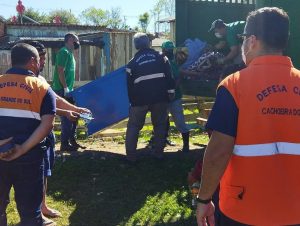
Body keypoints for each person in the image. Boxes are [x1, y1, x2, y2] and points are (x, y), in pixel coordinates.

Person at [196, 7, 300, 226]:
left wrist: (204, 198)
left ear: (252, 41)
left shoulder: (234, 85)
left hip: (244, 210)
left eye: (243, 39)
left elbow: (218, 153)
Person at [27, 40, 91, 226]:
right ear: (34, 59)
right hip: (36, 136)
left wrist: (76, 109)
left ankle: (43, 206)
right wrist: (71, 111)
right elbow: (48, 106)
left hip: (42, 136)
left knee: (44, 173)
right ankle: (38, 212)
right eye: (42, 59)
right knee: (35, 176)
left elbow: (55, 100)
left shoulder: (39, 80)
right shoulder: (31, 80)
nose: (44, 63)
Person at [0, 43, 56, 226]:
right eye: (39, 61)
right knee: (31, 214)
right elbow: (48, 124)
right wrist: (22, 148)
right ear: (33, 61)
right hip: (30, 160)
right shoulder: (42, 87)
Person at [125, 33, 175, 162]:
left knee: (134, 126)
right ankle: (159, 153)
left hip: (139, 100)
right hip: (160, 97)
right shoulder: (161, 57)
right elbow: (170, 77)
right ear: (148, 43)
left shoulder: (132, 63)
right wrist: (170, 93)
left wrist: (132, 101)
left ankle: (131, 156)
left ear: (136, 45)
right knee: (160, 125)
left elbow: (129, 85)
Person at [52, 33, 82, 152]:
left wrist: (69, 88)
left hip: (68, 89)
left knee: (74, 114)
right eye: (76, 40)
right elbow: (60, 71)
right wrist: (64, 88)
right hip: (61, 89)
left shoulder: (70, 53)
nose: (77, 43)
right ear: (70, 40)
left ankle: (72, 141)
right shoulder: (63, 52)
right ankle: (64, 144)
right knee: (66, 116)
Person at [161, 41, 190, 152]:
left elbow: (178, 77)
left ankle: (186, 146)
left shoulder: (173, 62)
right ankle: (163, 141)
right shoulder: (161, 62)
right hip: (164, 97)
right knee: (163, 120)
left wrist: (171, 90)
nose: (168, 52)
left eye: (169, 50)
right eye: (167, 50)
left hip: (174, 97)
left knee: (179, 122)